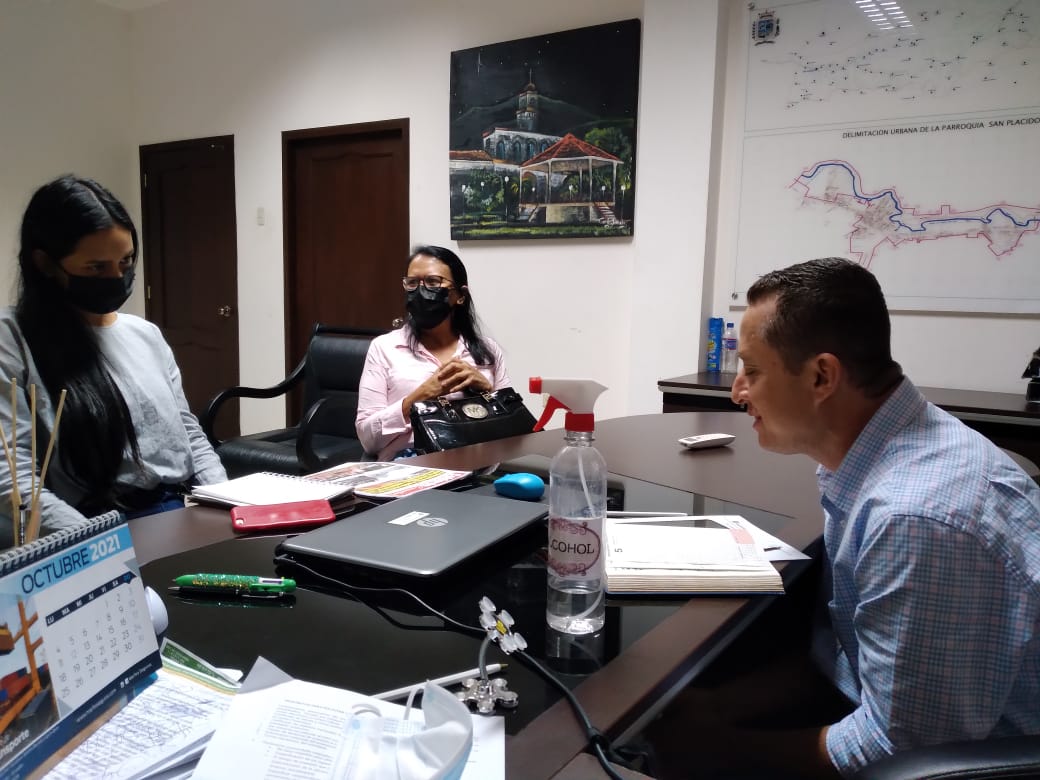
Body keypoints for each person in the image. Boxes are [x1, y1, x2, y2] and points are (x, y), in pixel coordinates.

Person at [647, 257, 1040, 778]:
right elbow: (850, 655)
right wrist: (719, 709)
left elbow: (901, 751)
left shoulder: (915, 517)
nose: (738, 391)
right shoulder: (890, 448)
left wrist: (714, 750)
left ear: (822, 376)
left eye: (753, 371)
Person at [0, 175, 227, 540]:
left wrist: (227, 503)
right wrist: (102, 545)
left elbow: (189, 435)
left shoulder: (145, 335)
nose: (117, 277)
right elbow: (12, 476)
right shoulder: (12, 339)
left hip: (182, 512)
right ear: (45, 263)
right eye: (96, 267)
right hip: (90, 529)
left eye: (126, 261)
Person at [356, 245, 511, 458]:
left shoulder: (487, 351)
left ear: (460, 295)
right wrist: (418, 398)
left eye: (433, 282)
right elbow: (367, 439)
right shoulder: (384, 348)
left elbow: (512, 434)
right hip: (410, 464)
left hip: (478, 463)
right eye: (412, 283)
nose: (421, 291)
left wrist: (487, 391)